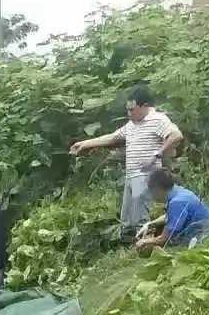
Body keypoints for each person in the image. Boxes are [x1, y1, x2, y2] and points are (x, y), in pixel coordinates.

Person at [70, 84, 184, 235]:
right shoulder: (132, 124)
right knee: (126, 220)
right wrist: (85, 144)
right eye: (127, 110)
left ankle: (145, 249)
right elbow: (113, 137)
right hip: (132, 175)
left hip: (145, 176)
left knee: (139, 219)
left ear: (144, 106)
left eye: (132, 109)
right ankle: (129, 248)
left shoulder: (157, 119)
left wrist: (158, 154)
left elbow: (176, 135)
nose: (129, 114)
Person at [136, 169, 209, 249]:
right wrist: (150, 224)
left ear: (157, 189)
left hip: (200, 237)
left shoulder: (176, 203)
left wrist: (144, 242)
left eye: (150, 191)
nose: (151, 195)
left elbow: (164, 239)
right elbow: (169, 216)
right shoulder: (177, 191)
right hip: (203, 229)